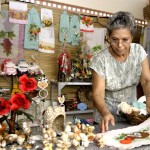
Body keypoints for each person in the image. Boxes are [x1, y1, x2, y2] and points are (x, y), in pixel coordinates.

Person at [90, 11, 150, 133]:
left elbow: (146, 80)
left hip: (132, 117)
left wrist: (149, 96)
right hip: (107, 118)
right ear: (108, 37)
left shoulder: (138, 52)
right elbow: (97, 94)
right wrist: (105, 113)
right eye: (114, 39)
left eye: (125, 40)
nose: (120, 45)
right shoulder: (101, 60)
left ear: (132, 37)